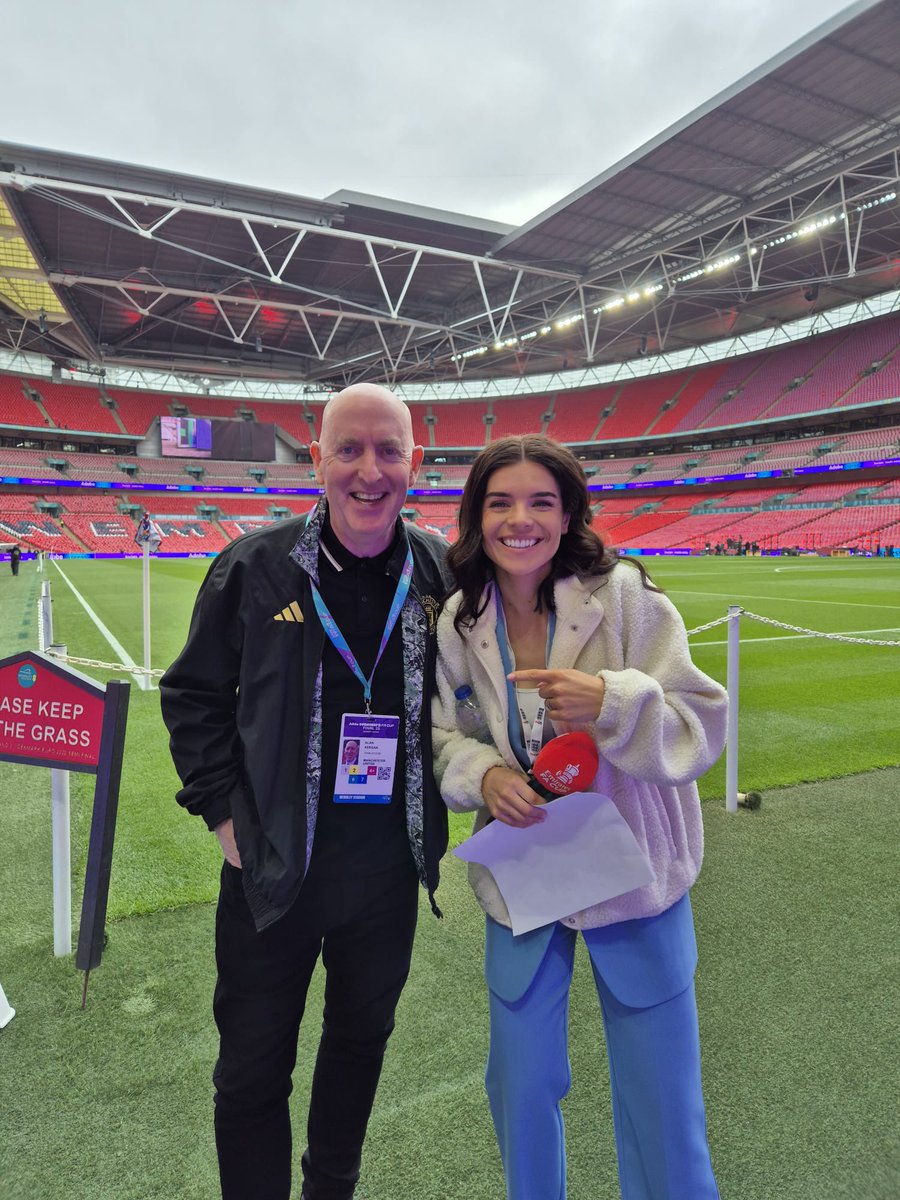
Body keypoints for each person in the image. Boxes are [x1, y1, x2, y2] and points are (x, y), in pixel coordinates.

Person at [159, 383, 450, 1200]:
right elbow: (192, 697)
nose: (369, 470)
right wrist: (222, 814)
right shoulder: (255, 565)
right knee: (252, 1066)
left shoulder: (438, 570)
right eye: (348, 450)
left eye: (388, 451)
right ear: (316, 458)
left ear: (413, 463)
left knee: (360, 1044)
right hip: (273, 868)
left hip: (387, 870)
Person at [432, 435, 728, 1200]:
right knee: (521, 1086)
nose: (519, 519)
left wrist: (617, 703)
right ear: (477, 516)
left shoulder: (626, 596)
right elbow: (440, 734)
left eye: (541, 503)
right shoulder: (461, 621)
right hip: (526, 876)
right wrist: (484, 772)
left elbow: (702, 724)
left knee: (663, 1101)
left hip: (633, 877)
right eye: (500, 503)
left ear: (568, 517)